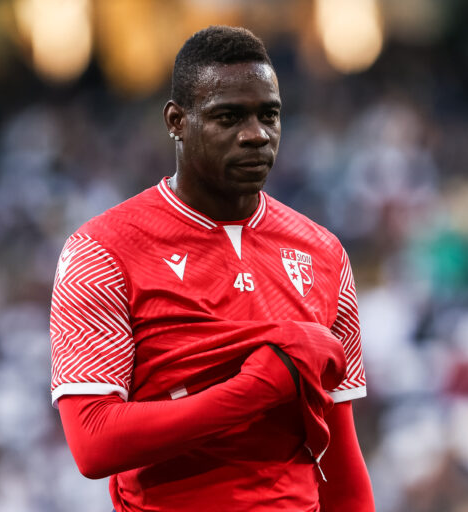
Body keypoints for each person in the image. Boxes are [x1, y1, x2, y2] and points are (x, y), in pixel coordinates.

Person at [50, 25, 375, 511]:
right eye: (229, 117)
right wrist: (254, 390)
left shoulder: (324, 254)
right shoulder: (103, 251)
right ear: (176, 121)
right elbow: (93, 442)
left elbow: (340, 457)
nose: (256, 135)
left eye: (269, 115)